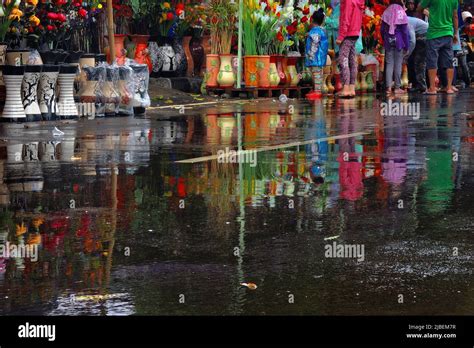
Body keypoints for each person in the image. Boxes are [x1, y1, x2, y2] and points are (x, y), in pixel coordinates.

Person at [418, 0, 459, 94]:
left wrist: (427, 10)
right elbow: (455, 16)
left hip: (434, 34)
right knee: (449, 60)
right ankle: (449, 87)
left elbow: (419, 8)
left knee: (432, 60)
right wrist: (456, 33)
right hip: (448, 33)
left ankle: (432, 88)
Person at [336, 0, 365, 97]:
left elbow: (346, 18)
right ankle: (351, 88)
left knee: (343, 59)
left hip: (347, 34)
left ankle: (345, 88)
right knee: (352, 60)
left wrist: (341, 36)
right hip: (355, 32)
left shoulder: (348, 1)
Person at [381, 0, 410, 95]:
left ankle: (388, 87)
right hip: (399, 41)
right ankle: (397, 87)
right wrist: (407, 45)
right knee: (398, 64)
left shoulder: (386, 11)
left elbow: (382, 29)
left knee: (389, 63)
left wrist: (385, 40)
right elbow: (405, 32)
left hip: (388, 40)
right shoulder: (401, 11)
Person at [305, 8, 329, 100]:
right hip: (318, 58)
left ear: (311, 19)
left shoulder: (315, 31)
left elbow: (315, 41)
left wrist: (309, 35)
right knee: (317, 73)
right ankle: (316, 89)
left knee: (316, 74)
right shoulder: (321, 30)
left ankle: (317, 91)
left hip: (316, 58)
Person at [407, 16, 429, 92]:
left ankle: (422, 86)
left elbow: (412, 42)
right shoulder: (408, 19)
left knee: (420, 62)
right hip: (423, 36)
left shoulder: (407, 22)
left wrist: (407, 54)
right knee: (418, 61)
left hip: (425, 37)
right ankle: (420, 85)